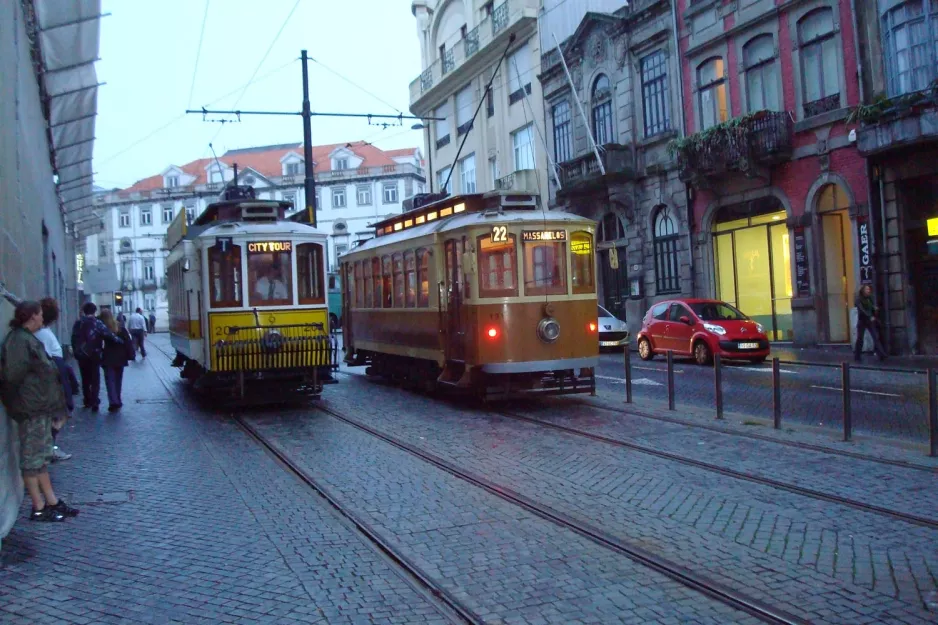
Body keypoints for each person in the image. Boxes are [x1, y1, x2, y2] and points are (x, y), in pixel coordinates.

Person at [0, 301, 79, 522]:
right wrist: (21, 403)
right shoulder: (19, 341)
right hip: (30, 409)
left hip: (38, 408)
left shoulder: (27, 339)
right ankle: (38, 506)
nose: (43, 319)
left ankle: (51, 501)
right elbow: (12, 377)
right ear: (32, 316)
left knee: (41, 457)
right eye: (41, 315)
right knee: (32, 459)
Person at [34, 298, 74, 462]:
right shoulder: (42, 334)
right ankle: (49, 447)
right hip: (54, 372)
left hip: (57, 370)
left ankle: (50, 445)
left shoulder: (42, 331)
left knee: (61, 412)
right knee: (62, 411)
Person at [71, 302, 123, 411]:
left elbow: (73, 338)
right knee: (95, 378)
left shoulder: (78, 323)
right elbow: (108, 334)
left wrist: (75, 351)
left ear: (84, 311)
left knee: (85, 378)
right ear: (95, 311)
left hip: (81, 354)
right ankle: (95, 401)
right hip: (94, 353)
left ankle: (87, 399)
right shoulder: (97, 322)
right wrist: (119, 341)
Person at [99, 309, 133, 412]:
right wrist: (130, 355)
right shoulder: (120, 328)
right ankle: (118, 399)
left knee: (110, 382)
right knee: (118, 380)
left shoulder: (103, 329)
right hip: (120, 358)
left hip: (108, 358)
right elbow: (128, 342)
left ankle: (113, 402)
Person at [855, 284, 887, 362]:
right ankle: (857, 355)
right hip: (862, 321)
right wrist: (869, 316)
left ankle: (881, 354)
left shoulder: (870, 298)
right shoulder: (859, 299)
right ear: (863, 290)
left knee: (875, 337)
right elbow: (861, 310)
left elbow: (872, 306)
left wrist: (875, 310)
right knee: (860, 339)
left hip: (870, 321)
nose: (868, 291)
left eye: (869, 289)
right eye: (866, 289)